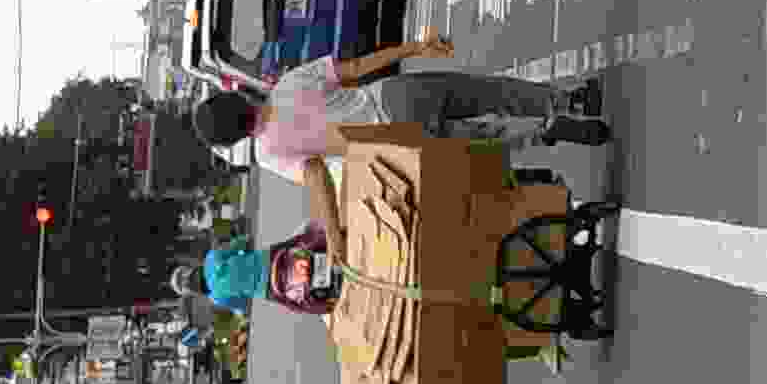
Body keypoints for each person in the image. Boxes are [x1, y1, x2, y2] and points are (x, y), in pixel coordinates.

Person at [192, 28, 607, 261]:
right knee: (488, 93)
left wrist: (334, 239)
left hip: (398, 144)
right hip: (397, 94)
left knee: (483, 142)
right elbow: (356, 67)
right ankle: (565, 100)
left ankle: (544, 131)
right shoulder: (287, 84)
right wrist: (415, 47)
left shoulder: (268, 153)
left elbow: (317, 174)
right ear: (237, 99)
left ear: (237, 137)